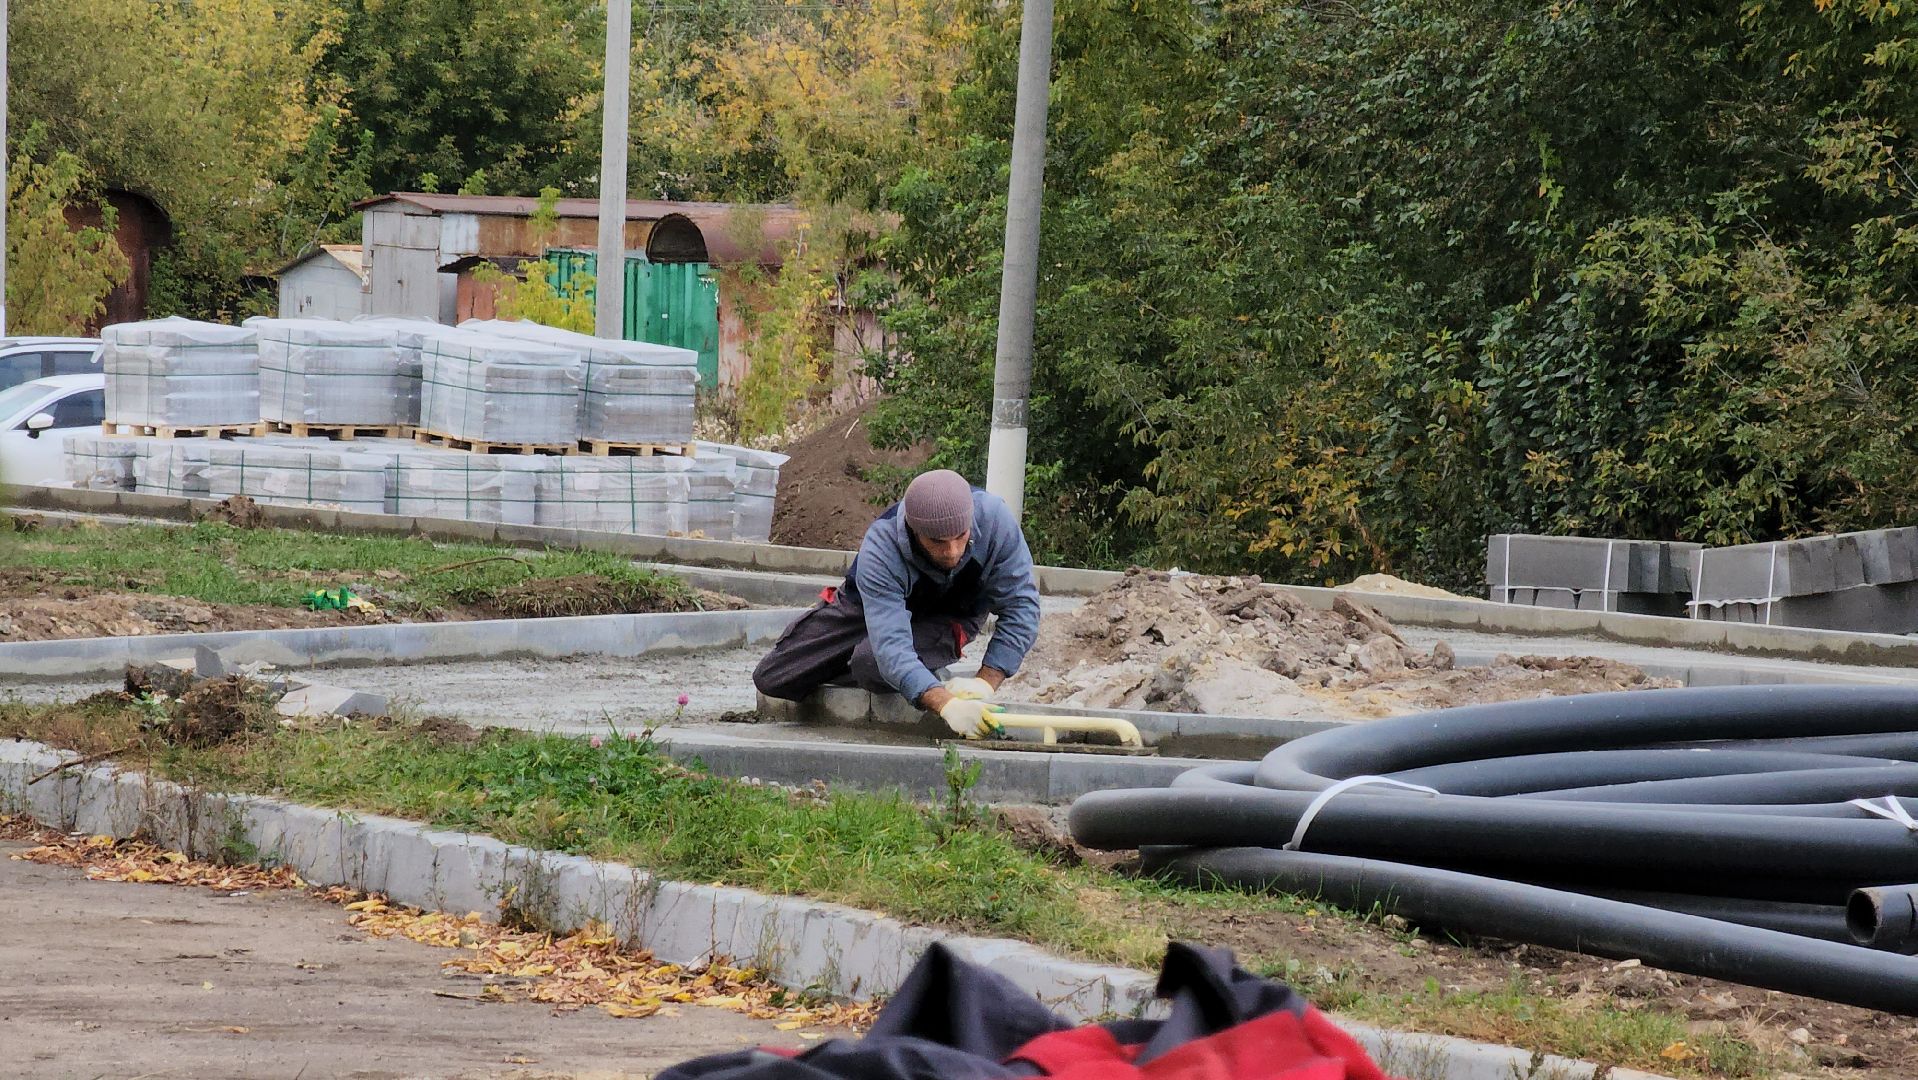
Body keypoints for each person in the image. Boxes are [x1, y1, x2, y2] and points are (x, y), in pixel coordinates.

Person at [752, 468, 1041, 738]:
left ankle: (904, 667)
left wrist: (984, 683)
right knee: (775, 677)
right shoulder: (882, 544)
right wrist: (946, 704)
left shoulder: (996, 522)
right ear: (915, 530)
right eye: (938, 541)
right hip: (867, 609)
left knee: (870, 663)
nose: (952, 552)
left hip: (948, 615)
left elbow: (1022, 608)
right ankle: (910, 669)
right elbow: (891, 646)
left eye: (960, 537)